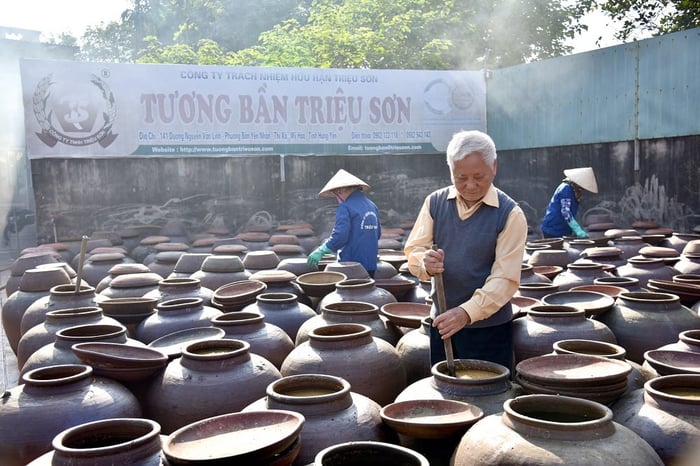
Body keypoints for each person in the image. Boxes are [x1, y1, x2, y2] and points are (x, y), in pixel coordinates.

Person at [403, 130, 527, 371]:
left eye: (478, 176)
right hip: (442, 324)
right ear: (450, 171)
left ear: (494, 167)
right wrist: (424, 263)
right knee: (447, 398)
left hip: (489, 330)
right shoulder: (435, 203)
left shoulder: (510, 214)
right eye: (461, 177)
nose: (470, 185)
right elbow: (414, 250)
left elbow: (505, 278)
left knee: (488, 400)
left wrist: (466, 313)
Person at [307, 169, 382, 277]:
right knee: (366, 292)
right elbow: (378, 234)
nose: (337, 197)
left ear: (342, 190)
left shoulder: (345, 207)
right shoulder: (372, 206)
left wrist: (322, 249)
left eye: (336, 193)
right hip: (371, 264)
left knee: (350, 294)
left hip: (351, 266)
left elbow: (340, 236)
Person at [540, 167, 598, 239]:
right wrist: (576, 228)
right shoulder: (566, 188)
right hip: (553, 229)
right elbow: (565, 211)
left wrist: (573, 229)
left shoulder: (574, 190)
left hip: (562, 229)